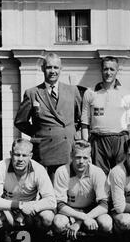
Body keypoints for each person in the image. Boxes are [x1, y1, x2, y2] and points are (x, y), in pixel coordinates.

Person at [14, 53, 82, 181]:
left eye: (56, 68)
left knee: (67, 187)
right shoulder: (32, 93)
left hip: (68, 148)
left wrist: (72, 133)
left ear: (61, 69)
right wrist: (38, 133)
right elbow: (20, 121)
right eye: (49, 67)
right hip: (45, 150)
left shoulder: (72, 91)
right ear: (42, 69)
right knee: (47, 189)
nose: (52, 71)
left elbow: (80, 118)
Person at [0, 138, 56, 242]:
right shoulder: (1, 166)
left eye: (24, 155)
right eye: (17, 155)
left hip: (30, 213)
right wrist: (20, 205)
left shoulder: (39, 169)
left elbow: (52, 201)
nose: (20, 159)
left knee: (48, 216)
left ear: (30, 156)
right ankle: (3, 237)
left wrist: (32, 206)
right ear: (10, 154)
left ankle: (35, 240)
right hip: (8, 210)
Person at [52, 140, 112, 242]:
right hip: (70, 210)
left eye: (85, 158)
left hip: (91, 210)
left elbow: (104, 205)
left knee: (106, 223)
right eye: (78, 157)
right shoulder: (62, 171)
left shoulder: (97, 172)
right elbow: (59, 205)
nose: (81, 161)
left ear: (90, 157)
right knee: (58, 222)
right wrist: (83, 218)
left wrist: (79, 222)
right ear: (71, 156)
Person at [81, 56, 130, 175]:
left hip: (120, 140)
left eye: (112, 69)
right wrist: (85, 147)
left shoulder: (127, 93)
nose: (108, 72)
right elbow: (85, 124)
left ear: (117, 71)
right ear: (101, 70)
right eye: (105, 69)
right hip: (98, 140)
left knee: (121, 175)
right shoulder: (90, 93)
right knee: (99, 176)